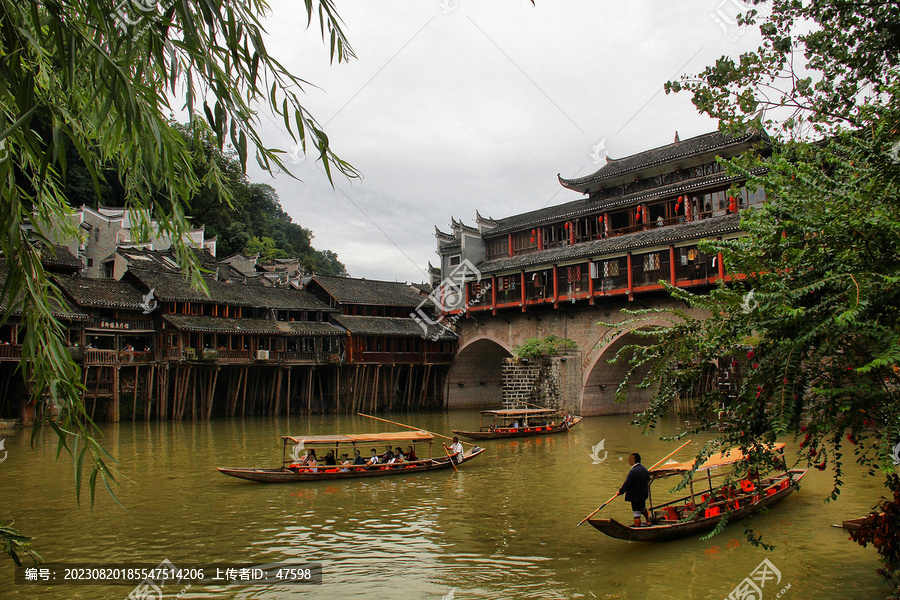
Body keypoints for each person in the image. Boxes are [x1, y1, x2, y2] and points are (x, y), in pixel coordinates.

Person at [619, 452, 652, 527]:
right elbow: (648, 480)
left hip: (635, 496)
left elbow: (627, 483)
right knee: (642, 508)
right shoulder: (644, 469)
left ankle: (638, 529)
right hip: (643, 494)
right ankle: (648, 521)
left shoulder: (633, 471)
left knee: (636, 513)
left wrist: (621, 491)